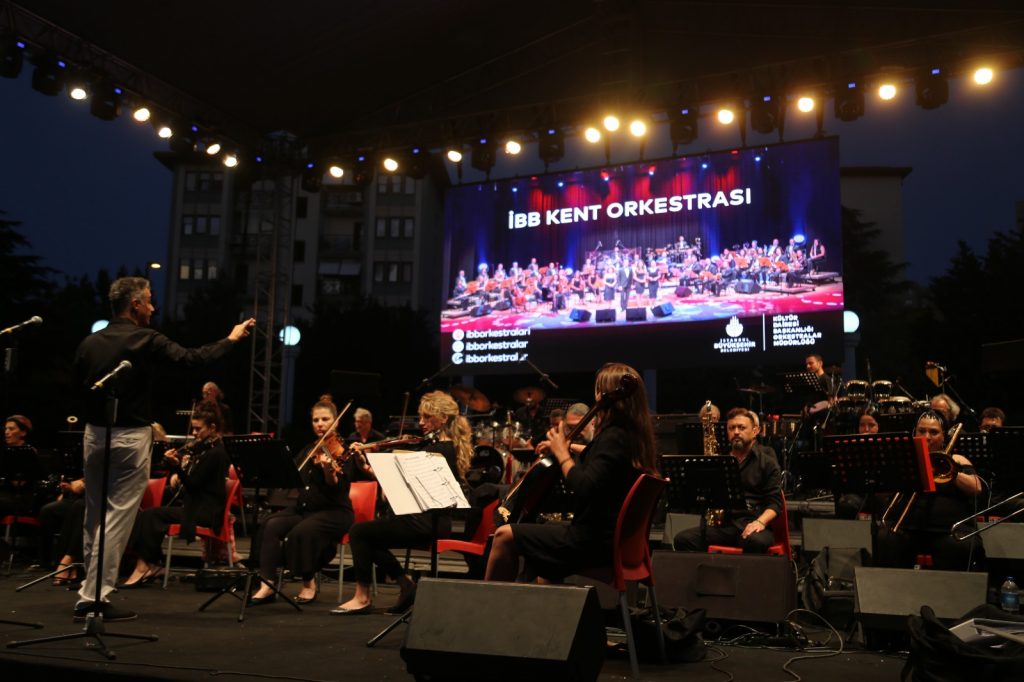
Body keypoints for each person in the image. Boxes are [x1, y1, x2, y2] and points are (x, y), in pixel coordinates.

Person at [72, 276, 253, 622]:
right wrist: (230, 340)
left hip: (94, 433)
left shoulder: (89, 343)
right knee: (117, 518)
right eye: (150, 300)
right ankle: (94, 597)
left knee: (93, 516)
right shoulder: (146, 338)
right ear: (135, 304)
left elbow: (76, 388)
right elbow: (192, 358)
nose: (153, 308)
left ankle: (88, 589)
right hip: (130, 437)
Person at [484, 363, 659, 582]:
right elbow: (604, 460)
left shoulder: (614, 436)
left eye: (598, 389)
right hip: (615, 539)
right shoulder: (632, 436)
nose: (597, 396)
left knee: (504, 535)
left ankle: (489, 602)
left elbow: (584, 486)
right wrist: (568, 447)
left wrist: (562, 455)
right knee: (543, 532)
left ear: (605, 394)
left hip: (592, 541)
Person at [332, 390, 472, 615]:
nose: (421, 422)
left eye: (427, 417)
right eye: (421, 416)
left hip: (428, 521)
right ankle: (405, 585)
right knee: (366, 537)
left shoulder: (439, 450)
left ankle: (365, 596)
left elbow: (410, 485)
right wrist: (365, 467)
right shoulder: (436, 446)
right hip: (424, 519)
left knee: (359, 532)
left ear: (443, 419)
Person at [247, 395, 356, 606]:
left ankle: (308, 583)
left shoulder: (344, 451)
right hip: (307, 509)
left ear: (336, 422)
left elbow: (336, 487)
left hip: (334, 512)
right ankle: (267, 583)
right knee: (270, 524)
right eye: (316, 420)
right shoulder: (309, 449)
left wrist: (328, 471)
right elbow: (292, 475)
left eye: (325, 419)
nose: (320, 424)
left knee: (302, 531)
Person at [120, 401, 229, 587]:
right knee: (147, 514)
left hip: (205, 512)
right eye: (193, 429)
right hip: (195, 506)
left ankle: (145, 565)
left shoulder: (216, 453)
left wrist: (178, 468)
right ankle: (150, 563)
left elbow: (193, 485)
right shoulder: (202, 449)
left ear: (212, 428)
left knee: (152, 515)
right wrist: (173, 463)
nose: (194, 433)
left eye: (198, 429)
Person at [874, 412, 984, 571]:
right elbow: (883, 490)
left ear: (943, 436)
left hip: (948, 530)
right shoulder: (906, 458)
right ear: (914, 433)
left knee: (959, 547)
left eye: (933, 432)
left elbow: (976, 488)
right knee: (885, 538)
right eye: (922, 431)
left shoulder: (957, 459)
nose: (927, 437)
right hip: (907, 527)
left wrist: (950, 471)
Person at [673, 407, 782, 553]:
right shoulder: (720, 460)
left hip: (752, 523)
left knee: (755, 542)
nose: (736, 432)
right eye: (732, 428)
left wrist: (759, 522)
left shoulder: (767, 462)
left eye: (742, 427)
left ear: (755, 431)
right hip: (724, 526)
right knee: (683, 539)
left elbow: (775, 504)